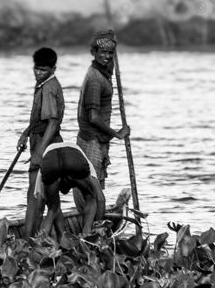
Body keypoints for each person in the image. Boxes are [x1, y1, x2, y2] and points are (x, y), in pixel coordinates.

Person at [17, 47, 65, 238]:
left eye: (43, 70)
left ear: (53, 69)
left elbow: (52, 123)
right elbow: (39, 119)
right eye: (36, 69)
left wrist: (38, 154)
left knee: (35, 196)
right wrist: (25, 133)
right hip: (40, 140)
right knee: (47, 197)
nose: (38, 73)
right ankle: (63, 238)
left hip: (47, 144)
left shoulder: (49, 88)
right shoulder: (43, 85)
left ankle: (30, 238)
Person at [76, 30, 130, 191]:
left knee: (97, 185)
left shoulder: (101, 72)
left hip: (98, 139)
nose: (107, 56)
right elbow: (93, 117)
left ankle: (97, 215)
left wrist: (111, 38)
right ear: (94, 53)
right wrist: (117, 134)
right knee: (92, 188)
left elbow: (109, 64)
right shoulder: (95, 80)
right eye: (103, 52)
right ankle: (92, 215)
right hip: (91, 140)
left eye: (111, 53)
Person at [34, 142, 105, 241]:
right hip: (74, 160)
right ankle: (86, 233)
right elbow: (100, 198)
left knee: (52, 209)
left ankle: (41, 242)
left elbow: (39, 211)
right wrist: (99, 227)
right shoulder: (85, 164)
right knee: (90, 197)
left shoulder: (42, 171)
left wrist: (35, 236)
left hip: (51, 164)